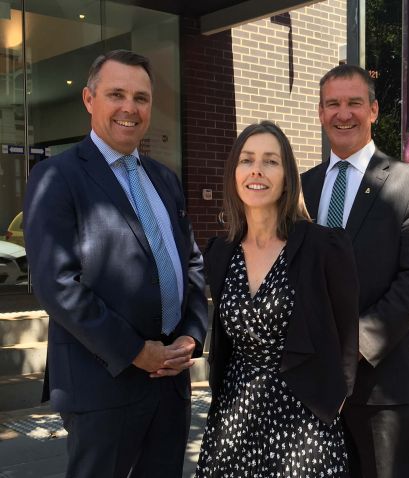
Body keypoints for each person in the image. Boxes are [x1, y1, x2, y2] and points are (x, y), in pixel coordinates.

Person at [23, 50, 208, 477]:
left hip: (170, 382)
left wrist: (192, 336)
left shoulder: (165, 180)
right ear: (89, 99)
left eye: (141, 97)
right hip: (102, 381)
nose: (130, 108)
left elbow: (192, 264)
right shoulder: (57, 176)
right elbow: (57, 283)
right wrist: (135, 351)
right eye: (116, 94)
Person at [196, 121, 359, 477]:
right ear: (234, 173)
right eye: (247, 160)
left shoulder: (323, 246)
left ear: (287, 175)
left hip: (304, 421)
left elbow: (347, 333)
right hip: (235, 417)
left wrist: (336, 399)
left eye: (271, 161)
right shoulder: (221, 253)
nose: (257, 169)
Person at [301, 64, 409, 478]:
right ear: (321, 112)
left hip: (381, 386)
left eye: (354, 103)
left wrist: (353, 346)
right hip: (312, 384)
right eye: (333, 104)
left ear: (374, 110)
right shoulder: (302, 187)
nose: (343, 114)